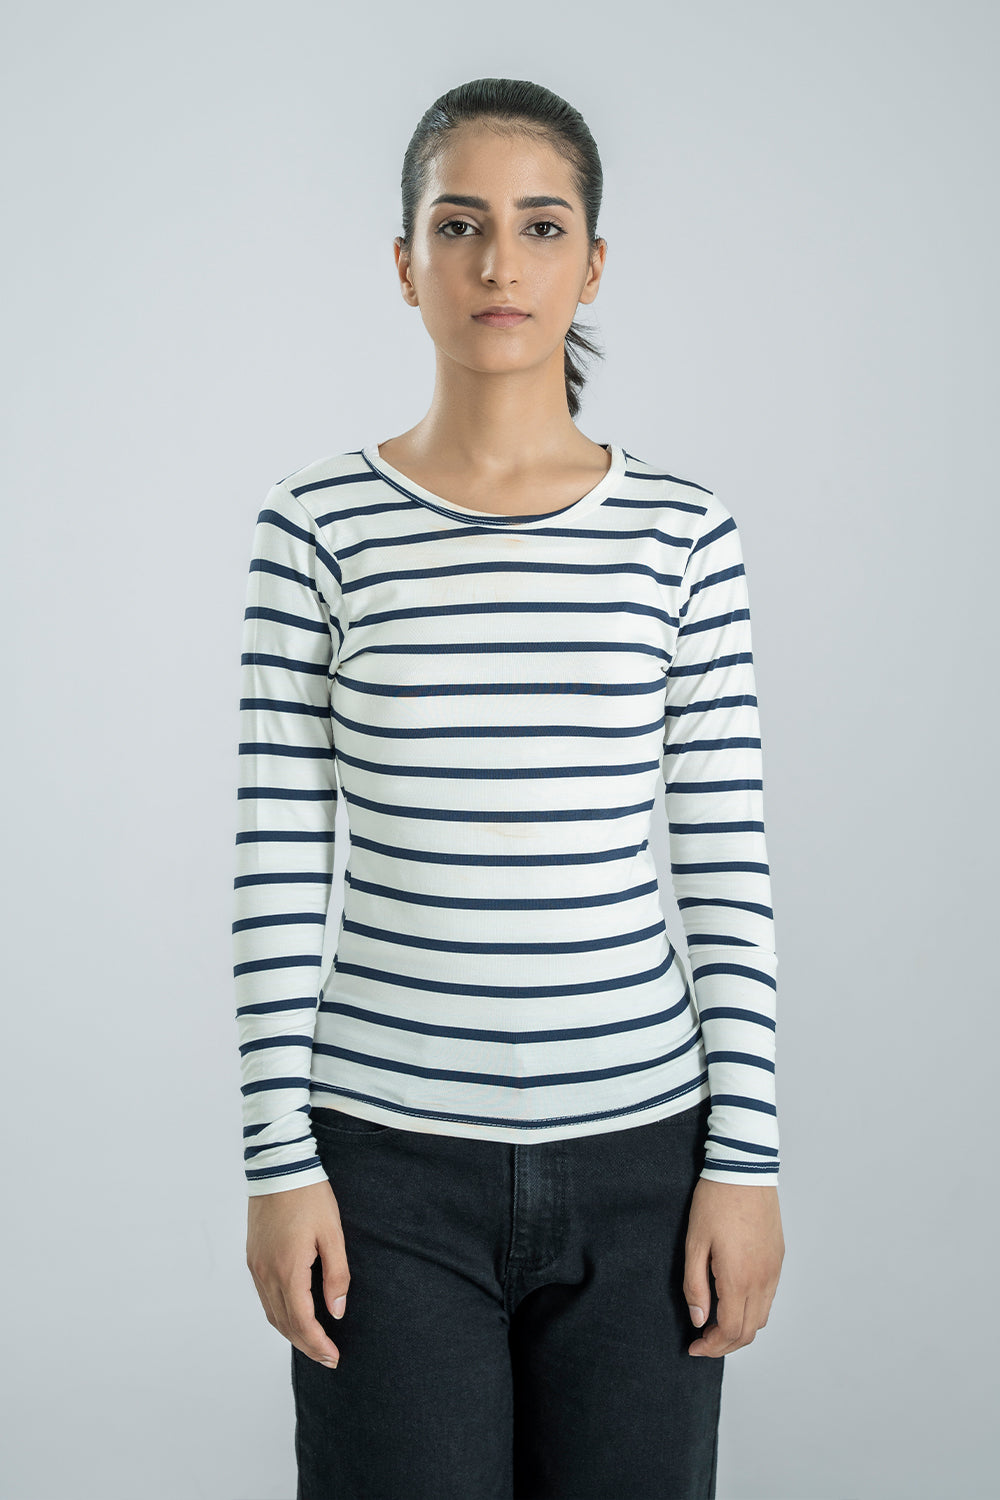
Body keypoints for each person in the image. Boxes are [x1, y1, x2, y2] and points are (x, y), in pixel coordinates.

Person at [233, 75, 785, 1500]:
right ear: (403, 260)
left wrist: (746, 1164)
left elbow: (725, 860)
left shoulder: (683, 535)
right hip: (385, 1176)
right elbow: (278, 866)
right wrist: (278, 1166)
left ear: (591, 263)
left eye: (541, 227)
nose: (499, 264)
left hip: (645, 1165)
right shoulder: (316, 528)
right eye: (459, 224)